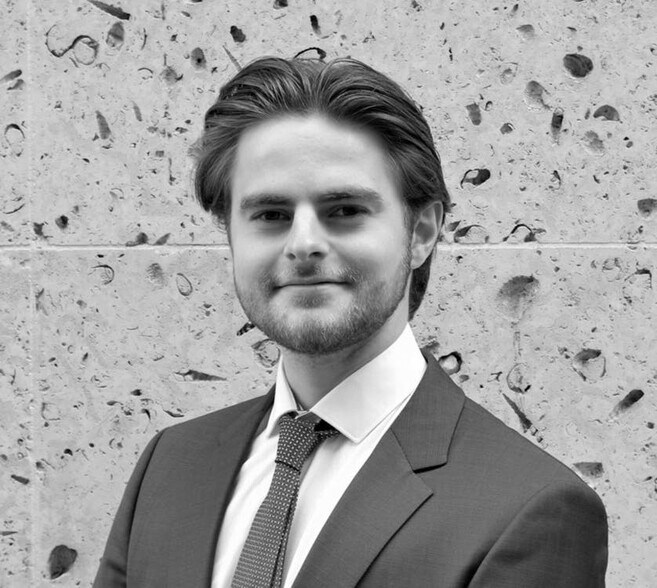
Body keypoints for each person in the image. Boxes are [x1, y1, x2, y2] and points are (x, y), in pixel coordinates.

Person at [94, 55, 608, 587]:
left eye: (344, 210)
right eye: (271, 215)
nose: (303, 244)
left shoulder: (529, 507)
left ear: (421, 232)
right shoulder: (169, 466)